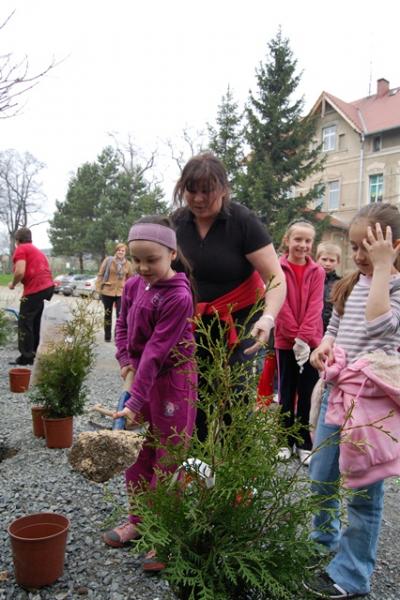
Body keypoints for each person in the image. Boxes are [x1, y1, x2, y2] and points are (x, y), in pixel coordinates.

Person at [305, 203, 400, 599]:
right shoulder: (352, 283)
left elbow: (380, 325)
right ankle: (322, 543)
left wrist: (382, 268)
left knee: (363, 492)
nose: (359, 256)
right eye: (355, 246)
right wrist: (325, 344)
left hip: (371, 405)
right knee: (321, 476)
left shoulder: (390, 286)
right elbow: (337, 323)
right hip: (337, 395)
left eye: (369, 248)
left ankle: (352, 573)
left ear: (394, 247)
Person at [172, 152, 286, 441]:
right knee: (192, 398)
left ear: (223, 188)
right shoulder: (176, 223)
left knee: (235, 403)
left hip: (241, 324)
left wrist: (268, 317)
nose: (198, 199)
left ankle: (237, 481)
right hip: (191, 325)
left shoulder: (243, 221)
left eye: (207, 191)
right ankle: (196, 471)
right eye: (191, 190)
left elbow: (275, 277)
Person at [103, 216, 197, 558]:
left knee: (168, 455)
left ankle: (162, 531)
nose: (142, 267)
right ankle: (137, 519)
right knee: (137, 450)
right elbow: (123, 326)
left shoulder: (178, 296)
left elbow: (157, 353)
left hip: (172, 380)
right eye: (136, 259)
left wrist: (133, 398)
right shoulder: (131, 286)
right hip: (140, 377)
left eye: (151, 260)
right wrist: (124, 358)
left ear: (172, 253)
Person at [274, 219, 325, 464]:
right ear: (287, 240)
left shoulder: (318, 271)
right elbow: (280, 304)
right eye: (298, 240)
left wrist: (304, 338)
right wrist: (294, 337)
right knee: (285, 391)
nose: (303, 245)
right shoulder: (277, 268)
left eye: (307, 241)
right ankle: (284, 439)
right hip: (285, 342)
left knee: (307, 393)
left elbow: (316, 306)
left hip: (312, 344)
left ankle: (304, 440)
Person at [8, 227, 54, 365]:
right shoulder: (37, 251)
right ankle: (34, 353)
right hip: (48, 287)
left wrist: (13, 283)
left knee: (24, 322)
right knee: (35, 322)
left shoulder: (21, 249)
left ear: (17, 240)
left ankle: (26, 357)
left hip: (36, 289)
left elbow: (20, 271)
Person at [95, 243, 133, 342]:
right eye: (119, 250)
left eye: (123, 250)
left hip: (121, 293)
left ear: (125, 253)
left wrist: (129, 291)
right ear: (116, 251)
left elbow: (130, 279)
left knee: (120, 316)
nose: (120, 252)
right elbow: (100, 274)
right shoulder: (108, 260)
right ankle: (107, 336)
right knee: (108, 314)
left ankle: (118, 336)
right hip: (107, 291)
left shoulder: (128, 264)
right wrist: (98, 288)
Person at [316, 241, 342, 332]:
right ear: (317, 259)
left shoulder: (340, 283)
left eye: (332, 260)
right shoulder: (310, 280)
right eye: (324, 259)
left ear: (338, 262)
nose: (327, 263)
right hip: (311, 329)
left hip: (331, 330)